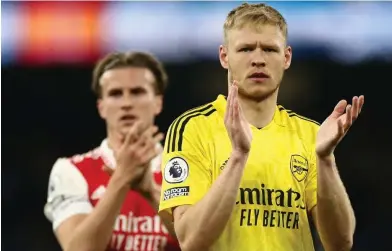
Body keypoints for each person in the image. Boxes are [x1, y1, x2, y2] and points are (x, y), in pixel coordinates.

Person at [158, 3, 364, 251]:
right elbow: (191, 240)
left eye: (269, 49)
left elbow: (340, 243)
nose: (258, 59)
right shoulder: (191, 128)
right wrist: (238, 156)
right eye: (245, 49)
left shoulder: (310, 134)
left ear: (286, 57)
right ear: (224, 56)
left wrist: (325, 158)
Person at [44, 52, 180, 251]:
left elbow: (205, 242)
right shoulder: (71, 171)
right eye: (115, 94)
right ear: (101, 107)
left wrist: (151, 192)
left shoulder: (187, 168)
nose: (126, 103)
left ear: (158, 103)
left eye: (137, 92)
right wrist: (122, 179)